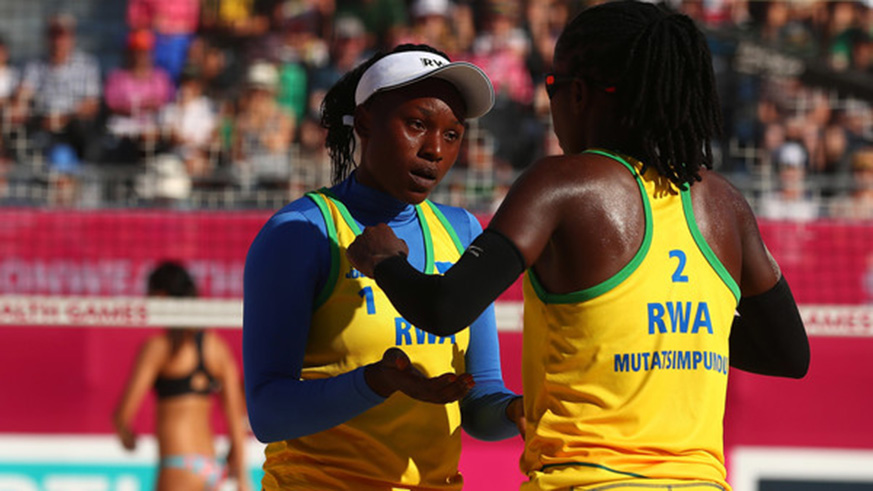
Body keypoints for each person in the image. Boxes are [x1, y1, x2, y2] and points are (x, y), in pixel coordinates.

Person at [346, 3, 810, 491]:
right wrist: (663, 327)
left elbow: (443, 308)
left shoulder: (561, 185)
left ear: (581, 94)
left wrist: (386, 260)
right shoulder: (724, 204)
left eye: (552, 88)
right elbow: (788, 355)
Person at [243, 44, 523, 490]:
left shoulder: (463, 230)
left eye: (452, 134)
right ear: (367, 122)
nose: (435, 149)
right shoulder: (301, 232)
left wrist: (520, 413)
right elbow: (267, 414)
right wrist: (376, 382)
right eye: (417, 124)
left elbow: (480, 399)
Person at [113, 261, 252, 491]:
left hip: (177, 466)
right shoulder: (216, 348)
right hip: (211, 466)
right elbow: (236, 417)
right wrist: (242, 477)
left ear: (161, 296)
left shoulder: (158, 349)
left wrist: (127, 437)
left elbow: (122, 415)